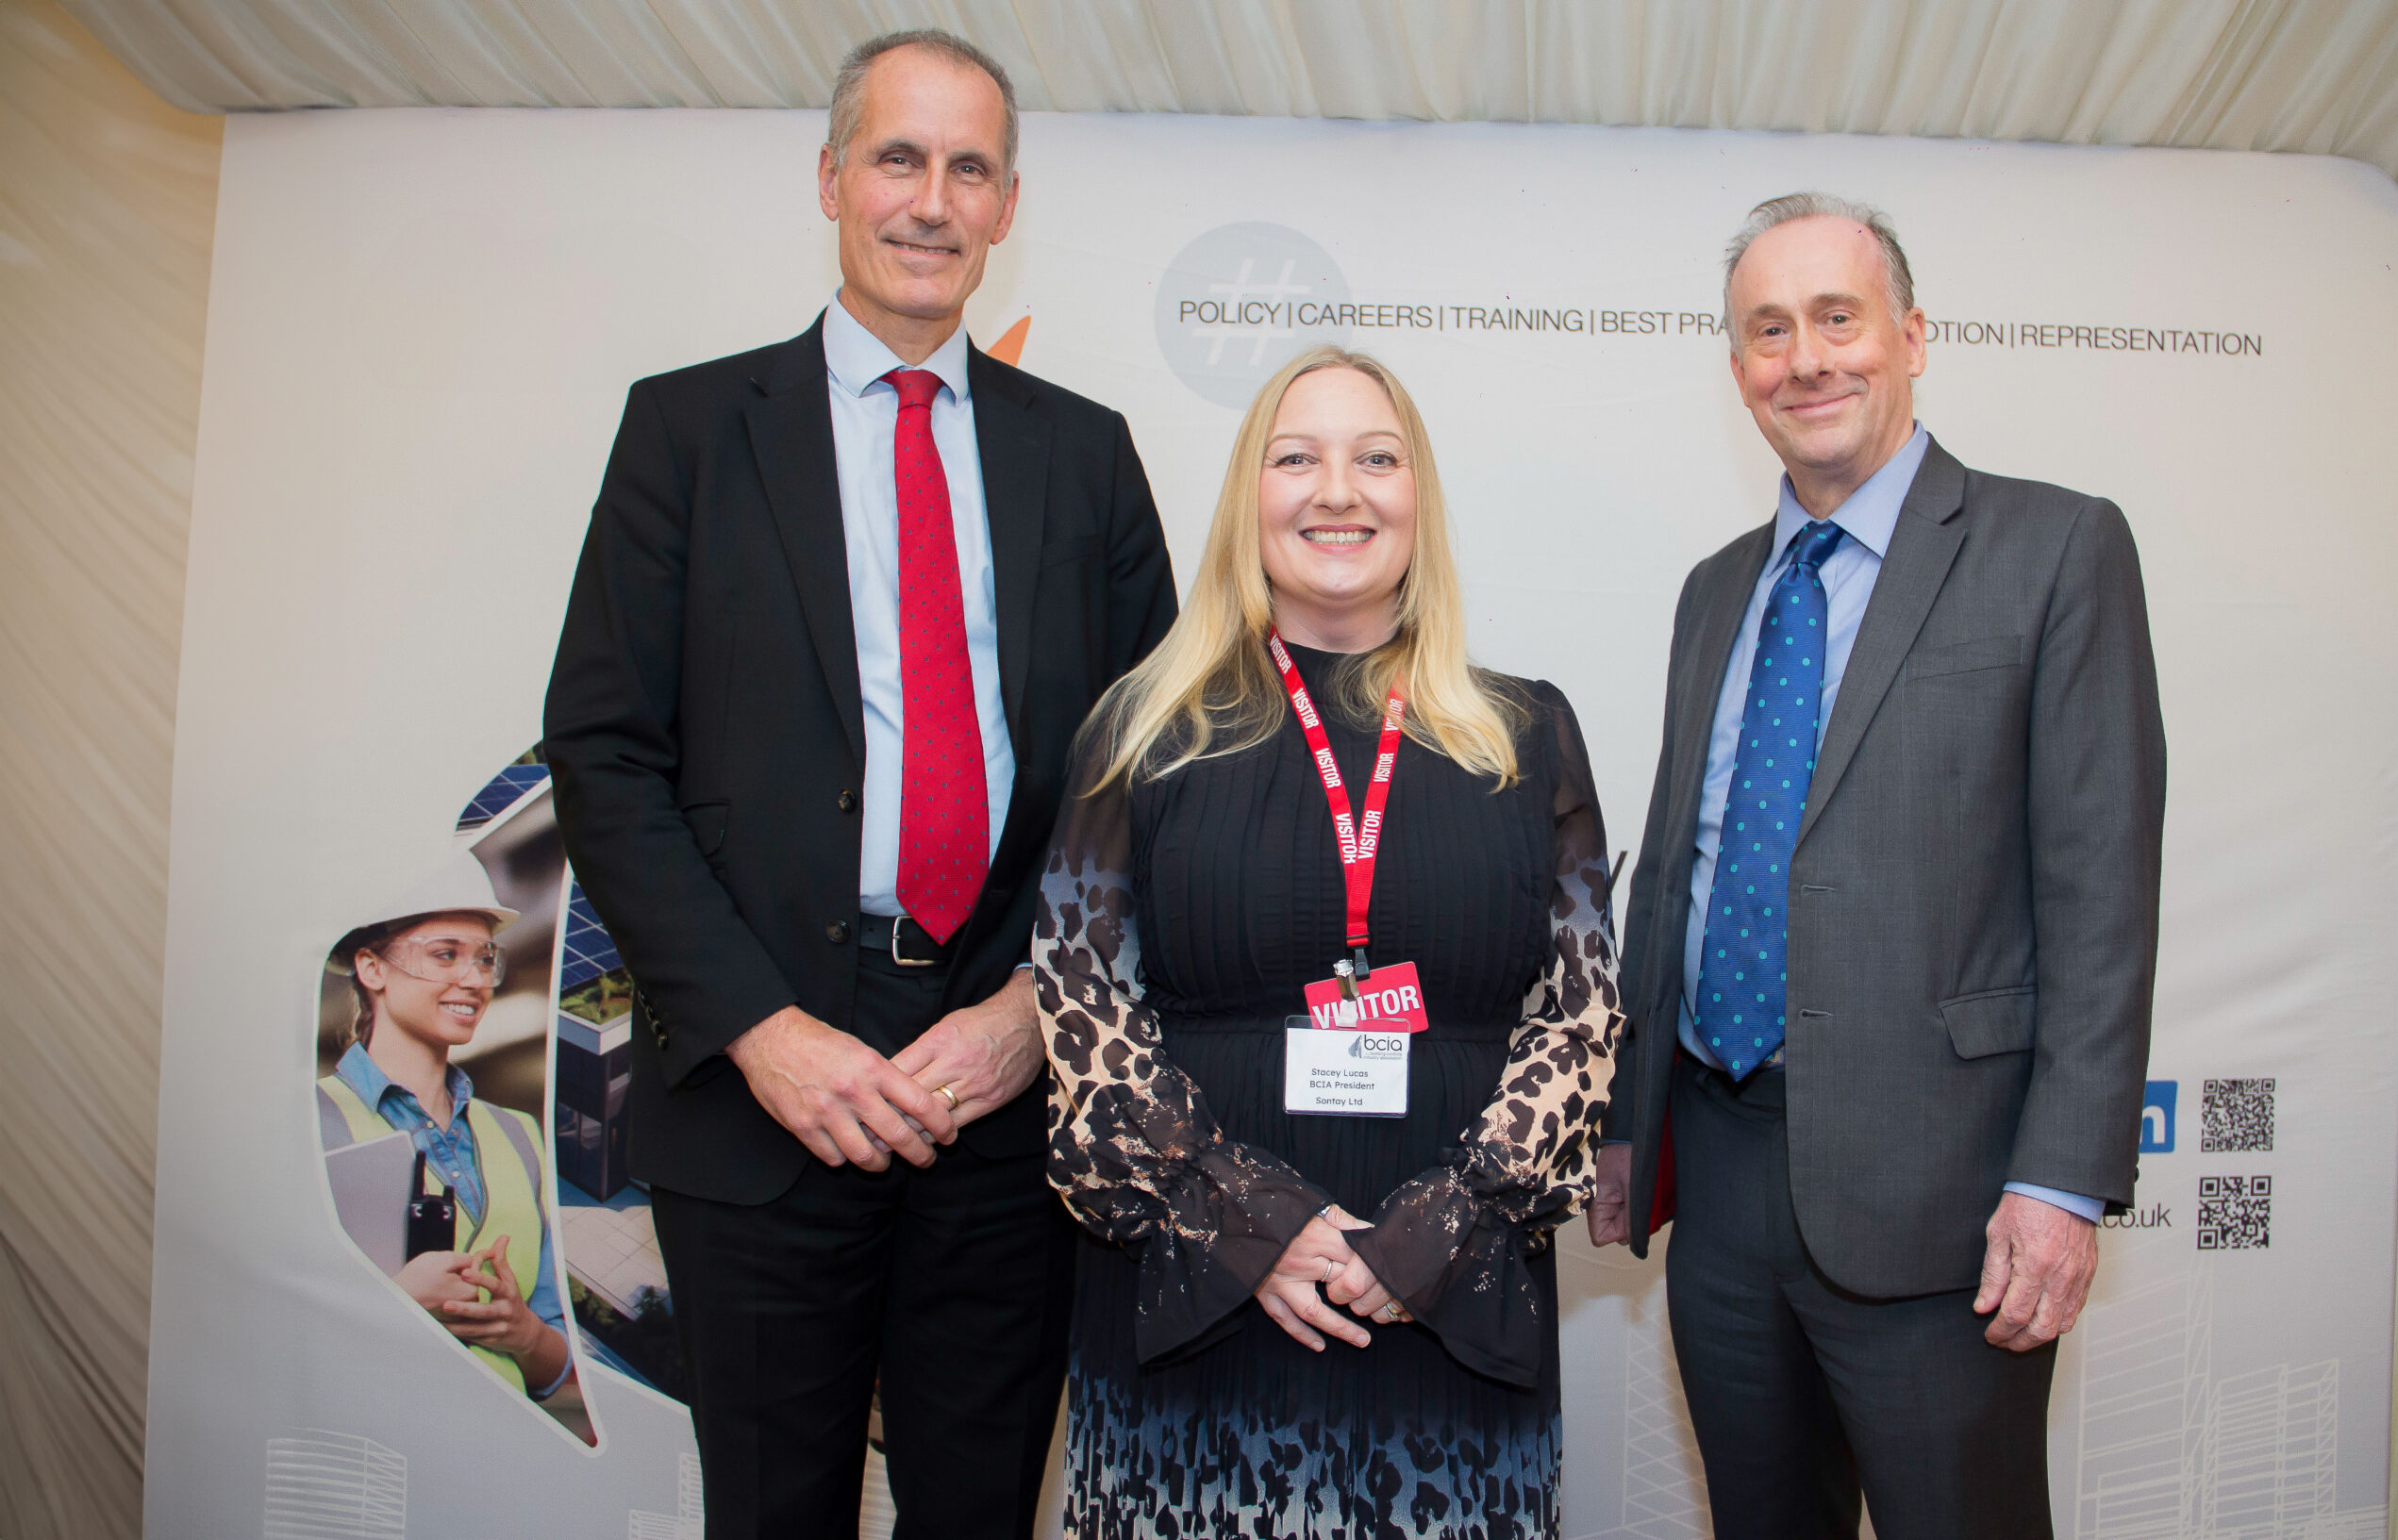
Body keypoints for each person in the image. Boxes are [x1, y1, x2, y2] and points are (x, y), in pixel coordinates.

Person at [541, 27, 1178, 1540]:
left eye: (970, 169)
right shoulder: (688, 433)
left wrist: (1041, 1008)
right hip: (766, 1093)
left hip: (1004, 1089)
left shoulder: (1086, 458)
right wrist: (762, 1032)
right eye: (900, 158)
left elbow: (1155, 767)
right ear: (831, 178)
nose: (931, 200)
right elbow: (605, 753)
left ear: (1009, 205)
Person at [1590, 191, 2165, 1533]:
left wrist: (2061, 1181)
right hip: (1722, 1176)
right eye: (1768, 330)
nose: (1806, 359)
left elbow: (2101, 893)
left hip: (1946, 1199)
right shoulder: (1714, 588)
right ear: (1736, 369)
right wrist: (1632, 1111)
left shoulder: (2056, 548)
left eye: (1838, 318)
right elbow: (1681, 865)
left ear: (1911, 334)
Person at [1035, 346, 1619, 1538]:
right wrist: (1248, 1222)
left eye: (1377, 457)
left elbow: (1584, 1010)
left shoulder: (1526, 732)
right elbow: (1079, 999)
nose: (1338, 491)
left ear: (1420, 498)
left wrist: (1437, 1230)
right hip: (1198, 1288)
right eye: (1295, 457)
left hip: (1454, 1295)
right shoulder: (1140, 726)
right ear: (1249, 494)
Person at [317, 854, 575, 1404]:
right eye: (444, 955)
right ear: (372, 968)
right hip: (374, 1455)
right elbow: (264, 1336)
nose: (474, 979)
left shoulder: (520, 1136)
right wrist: (401, 1301)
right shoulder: (305, 1123)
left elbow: (559, 1366)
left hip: (502, 1456)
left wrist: (524, 1334)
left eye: (485, 960)